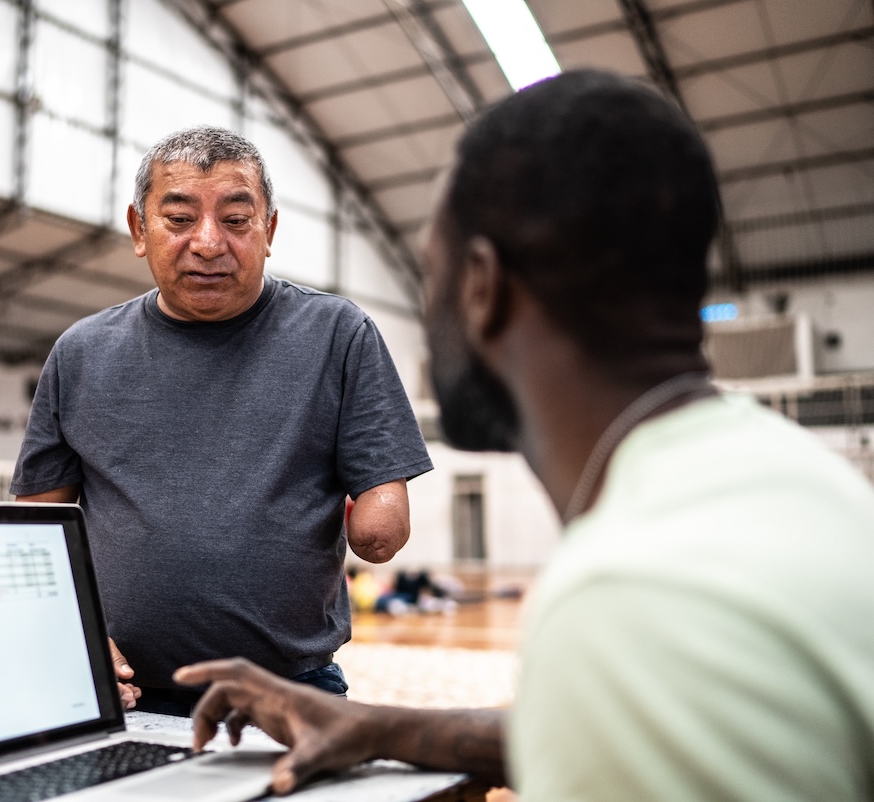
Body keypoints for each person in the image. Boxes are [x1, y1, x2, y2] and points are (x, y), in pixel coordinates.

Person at [173, 70, 874, 800]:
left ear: (482, 286)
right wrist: (382, 729)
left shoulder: (626, 597)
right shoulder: (797, 480)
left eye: (430, 270)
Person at [12, 125, 433, 716]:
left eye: (236, 220)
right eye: (179, 219)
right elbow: (34, 530)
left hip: (292, 694)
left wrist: (379, 514)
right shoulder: (81, 353)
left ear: (270, 231)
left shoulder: (339, 336)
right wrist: (71, 633)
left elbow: (381, 522)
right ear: (139, 230)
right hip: (120, 692)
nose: (208, 243)